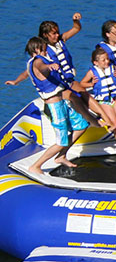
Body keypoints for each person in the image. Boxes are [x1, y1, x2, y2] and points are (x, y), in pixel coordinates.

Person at [6, 13, 106, 130]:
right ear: (45, 35)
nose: (57, 35)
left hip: (69, 80)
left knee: (84, 94)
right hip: (59, 85)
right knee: (76, 97)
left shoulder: (61, 40)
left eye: (57, 32)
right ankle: (93, 121)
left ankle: (106, 118)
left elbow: (76, 28)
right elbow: (28, 71)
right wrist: (16, 81)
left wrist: (75, 21)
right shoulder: (44, 52)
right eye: (53, 33)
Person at [20, 36, 89, 174]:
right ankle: (36, 166)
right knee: (61, 141)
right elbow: (41, 66)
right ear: (37, 49)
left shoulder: (33, 62)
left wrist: (16, 81)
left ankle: (61, 156)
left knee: (82, 125)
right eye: (44, 50)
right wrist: (49, 66)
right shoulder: (37, 61)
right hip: (55, 107)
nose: (46, 52)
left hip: (62, 103)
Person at [71, 47, 116, 160]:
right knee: (115, 125)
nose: (107, 61)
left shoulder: (113, 68)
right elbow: (82, 84)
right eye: (103, 60)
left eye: (107, 59)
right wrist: (92, 84)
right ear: (96, 62)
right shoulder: (92, 72)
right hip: (104, 101)